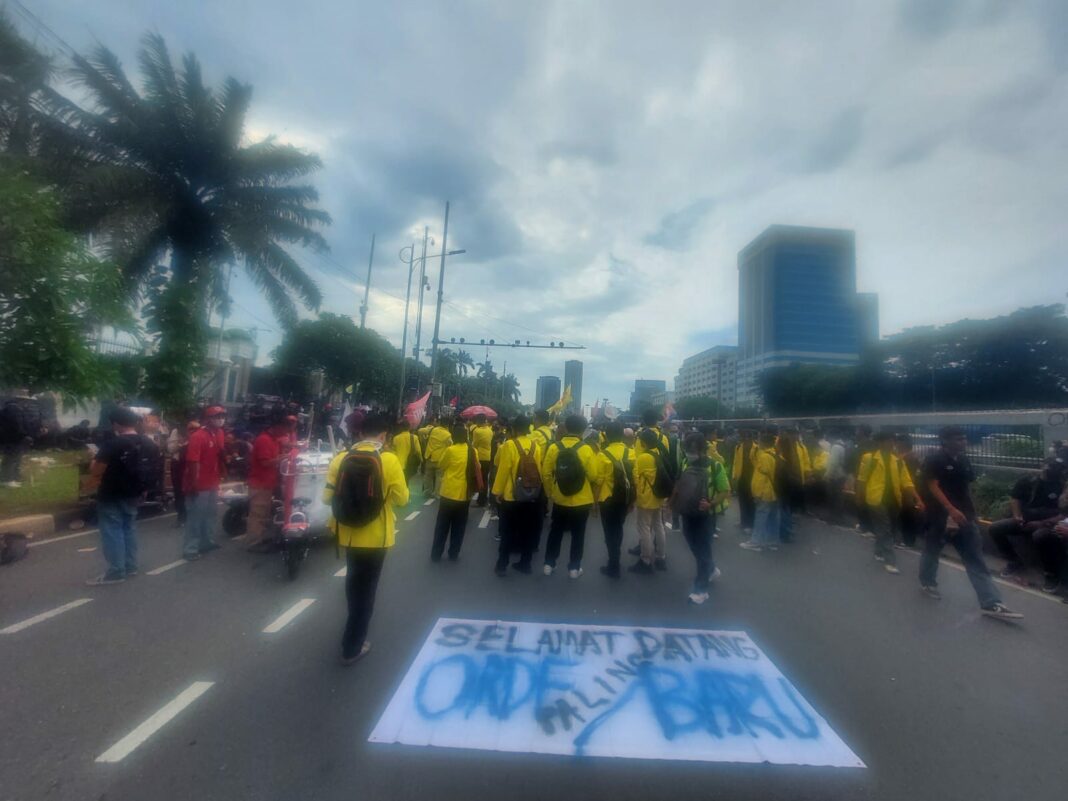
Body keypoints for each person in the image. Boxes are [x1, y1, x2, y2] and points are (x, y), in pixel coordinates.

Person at [323, 412, 409, 665]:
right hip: (377, 537)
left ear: (360, 434)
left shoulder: (341, 458)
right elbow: (403, 499)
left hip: (348, 534)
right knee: (367, 592)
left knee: (353, 585)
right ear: (384, 435)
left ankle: (352, 634)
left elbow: (327, 498)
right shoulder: (389, 460)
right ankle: (352, 646)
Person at [919, 426, 1022, 620]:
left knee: (975, 558)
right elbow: (932, 486)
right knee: (932, 550)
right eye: (958, 439)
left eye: (964, 439)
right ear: (945, 441)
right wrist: (950, 510)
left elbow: (967, 488)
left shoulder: (964, 461)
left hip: (965, 517)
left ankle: (991, 602)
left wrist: (972, 512)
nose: (963, 442)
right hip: (939, 516)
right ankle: (927, 582)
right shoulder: (934, 460)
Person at [86, 407, 159, 585]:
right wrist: (144, 490)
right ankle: (130, 566)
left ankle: (116, 571)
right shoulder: (149, 444)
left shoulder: (113, 444)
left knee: (112, 531)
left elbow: (96, 470)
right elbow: (152, 470)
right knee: (129, 529)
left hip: (111, 493)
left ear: (116, 424)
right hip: (135, 493)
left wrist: (94, 458)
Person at [990, 456, 1066, 592]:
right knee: (995, 528)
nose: (1053, 470)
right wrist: (1017, 516)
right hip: (1026, 519)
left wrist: (1042, 523)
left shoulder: (1062, 485)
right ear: (1043, 466)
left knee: (1040, 536)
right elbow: (1015, 498)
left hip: (1050, 522)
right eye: (1051, 466)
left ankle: (1051, 573)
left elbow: (1064, 513)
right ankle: (1014, 561)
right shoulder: (1028, 481)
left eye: (1058, 468)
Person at [857, 430, 924, 575]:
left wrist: (917, 498)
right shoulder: (869, 459)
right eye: (888, 441)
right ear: (880, 443)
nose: (892, 444)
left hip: (893, 500)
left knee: (890, 528)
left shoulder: (898, 461)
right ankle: (890, 561)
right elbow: (861, 480)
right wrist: (860, 498)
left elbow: (907, 482)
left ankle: (878, 551)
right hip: (876, 499)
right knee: (885, 528)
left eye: (893, 441)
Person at [540, 414, 599, 578]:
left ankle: (548, 564)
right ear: (583, 429)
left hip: (560, 498)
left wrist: (550, 493)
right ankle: (574, 568)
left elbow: (545, 473)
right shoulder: (586, 449)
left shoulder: (554, 447)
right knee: (578, 534)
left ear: (566, 427)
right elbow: (594, 476)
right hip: (582, 500)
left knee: (555, 531)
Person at [675, 432, 730, 605]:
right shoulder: (685, 463)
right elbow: (680, 484)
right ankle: (711, 569)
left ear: (702, 450)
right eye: (687, 450)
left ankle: (701, 589)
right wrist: (671, 502)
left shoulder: (715, 466)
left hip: (706, 515)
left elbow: (725, 490)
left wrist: (711, 504)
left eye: (693, 450)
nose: (690, 454)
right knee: (693, 543)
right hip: (687, 511)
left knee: (703, 548)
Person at [491, 415, 543, 575]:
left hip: (511, 496)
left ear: (514, 428)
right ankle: (525, 563)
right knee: (528, 530)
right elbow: (538, 471)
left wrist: (496, 492)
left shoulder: (509, 445)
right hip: (531, 495)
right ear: (529, 428)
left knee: (507, 532)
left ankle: (502, 564)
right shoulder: (536, 446)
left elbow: (503, 469)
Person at [182, 406, 227, 561]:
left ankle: (207, 542)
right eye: (217, 416)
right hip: (198, 484)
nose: (221, 419)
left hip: (212, 482)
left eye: (222, 416)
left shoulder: (220, 433)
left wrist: (223, 471)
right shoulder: (198, 436)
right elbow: (193, 462)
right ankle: (190, 549)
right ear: (208, 419)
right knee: (196, 517)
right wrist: (194, 484)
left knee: (210, 515)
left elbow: (219, 454)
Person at [431, 422, 480, 562]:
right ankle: (454, 553)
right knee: (459, 526)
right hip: (465, 494)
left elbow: (442, 465)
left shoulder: (450, 450)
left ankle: (436, 554)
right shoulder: (473, 451)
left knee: (442, 526)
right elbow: (477, 467)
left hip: (448, 493)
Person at [629, 427, 672, 574]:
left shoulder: (643, 457)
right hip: (659, 496)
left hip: (646, 498)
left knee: (644, 528)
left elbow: (635, 478)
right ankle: (661, 557)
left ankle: (645, 560)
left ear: (643, 442)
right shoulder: (659, 454)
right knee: (659, 526)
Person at [246, 415, 289, 553]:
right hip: (259, 483)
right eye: (284, 429)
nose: (285, 433)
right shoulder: (264, 440)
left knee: (264, 514)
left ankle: (260, 539)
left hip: (268, 483)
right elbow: (265, 462)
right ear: (277, 427)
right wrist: (281, 458)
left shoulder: (274, 439)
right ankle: (254, 543)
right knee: (257, 515)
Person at [596, 422, 634, 578]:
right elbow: (635, 479)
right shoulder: (631, 453)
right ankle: (615, 560)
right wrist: (632, 501)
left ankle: (614, 564)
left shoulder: (602, 455)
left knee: (609, 532)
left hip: (607, 500)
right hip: (624, 499)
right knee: (618, 528)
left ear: (606, 435)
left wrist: (593, 504)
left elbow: (598, 481)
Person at [741, 431, 780, 551]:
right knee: (773, 517)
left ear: (763, 442)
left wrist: (756, 494)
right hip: (775, 491)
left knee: (760, 517)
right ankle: (772, 542)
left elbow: (760, 479)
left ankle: (756, 542)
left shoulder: (764, 457)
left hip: (765, 492)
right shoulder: (776, 455)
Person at [775, 429, 809, 543]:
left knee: (783, 509)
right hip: (791, 483)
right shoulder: (792, 453)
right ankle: (788, 530)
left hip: (783, 485)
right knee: (787, 508)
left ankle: (784, 533)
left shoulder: (782, 459)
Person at [895, 434, 924, 547]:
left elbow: (910, 476)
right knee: (904, 514)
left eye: (898, 442)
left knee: (907, 513)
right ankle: (906, 538)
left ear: (903, 444)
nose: (896, 445)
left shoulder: (909, 458)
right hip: (904, 489)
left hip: (907, 489)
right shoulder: (904, 456)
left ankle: (908, 540)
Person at [171, 421, 198, 526]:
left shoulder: (197, 437)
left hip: (190, 469)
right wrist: (181, 444)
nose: (191, 432)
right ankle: (181, 516)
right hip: (179, 469)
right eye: (190, 430)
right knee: (179, 492)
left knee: (190, 493)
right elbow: (171, 449)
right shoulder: (177, 433)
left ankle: (189, 516)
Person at [731, 429, 758, 532]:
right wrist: (734, 475)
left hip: (753, 478)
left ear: (752, 438)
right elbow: (735, 462)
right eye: (744, 438)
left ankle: (750, 524)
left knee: (751, 502)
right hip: (742, 478)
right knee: (742, 501)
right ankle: (743, 521)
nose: (746, 440)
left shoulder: (757, 448)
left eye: (748, 437)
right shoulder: (738, 447)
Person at [423, 417, 453, 498]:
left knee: (428, 475)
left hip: (429, 456)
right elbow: (451, 445)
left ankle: (427, 491)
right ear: (447, 425)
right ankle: (436, 493)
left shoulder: (433, 430)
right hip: (440, 458)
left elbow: (420, 431)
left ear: (439, 423)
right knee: (439, 476)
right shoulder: (448, 434)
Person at [471, 414, 494, 507]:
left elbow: (475, 444)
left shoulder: (477, 431)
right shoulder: (490, 430)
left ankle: (480, 501)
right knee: (485, 479)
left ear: (479, 421)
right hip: (488, 457)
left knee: (479, 479)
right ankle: (484, 499)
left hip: (479, 457)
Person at [390, 420, 422, 485]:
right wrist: (421, 460)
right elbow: (418, 451)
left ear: (400, 428)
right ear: (409, 427)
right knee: (406, 480)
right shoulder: (414, 437)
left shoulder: (396, 438)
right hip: (410, 464)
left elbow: (393, 451)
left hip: (398, 463)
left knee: (399, 481)